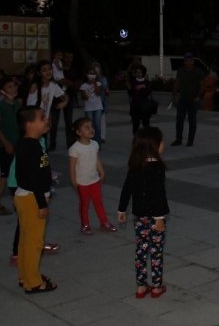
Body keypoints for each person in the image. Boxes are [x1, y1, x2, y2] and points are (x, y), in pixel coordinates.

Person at [118, 127, 170, 299]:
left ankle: (141, 286)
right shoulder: (157, 168)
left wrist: (121, 209)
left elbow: (127, 188)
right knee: (156, 252)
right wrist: (160, 218)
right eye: (161, 141)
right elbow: (158, 194)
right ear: (154, 146)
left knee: (141, 250)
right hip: (155, 218)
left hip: (139, 217)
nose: (164, 144)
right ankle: (156, 287)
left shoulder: (135, 166)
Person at [13, 106, 57, 293]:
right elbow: (33, 179)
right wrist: (42, 203)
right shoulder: (31, 147)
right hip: (32, 199)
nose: (46, 120)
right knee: (34, 243)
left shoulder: (28, 143)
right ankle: (33, 282)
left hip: (26, 196)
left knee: (26, 240)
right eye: (42, 118)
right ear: (29, 124)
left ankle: (26, 276)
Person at [68, 117, 116, 234]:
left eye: (92, 127)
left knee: (98, 202)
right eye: (87, 127)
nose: (91, 129)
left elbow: (97, 159)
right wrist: (74, 180)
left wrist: (102, 171)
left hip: (94, 180)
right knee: (84, 204)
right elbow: (72, 166)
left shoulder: (94, 144)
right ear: (79, 132)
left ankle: (104, 222)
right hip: (82, 182)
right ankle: (85, 224)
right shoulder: (75, 149)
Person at [0, 75, 21, 216]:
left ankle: (18, 202)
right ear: (2, 91)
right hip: (4, 145)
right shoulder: (0, 107)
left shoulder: (19, 105)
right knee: (5, 174)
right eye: (9, 86)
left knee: (16, 173)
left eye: (14, 86)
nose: (13, 89)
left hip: (17, 143)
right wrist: (6, 143)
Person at [26, 60, 68, 151]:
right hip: (34, 122)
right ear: (39, 73)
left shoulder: (53, 85)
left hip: (43, 123)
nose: (48, 72)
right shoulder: (35, 86)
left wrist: (64, 102)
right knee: (35, 147)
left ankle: (44, 164)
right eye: (44, 70)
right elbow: (29, 108)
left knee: (43, 147)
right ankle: (38, 164)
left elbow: (64, 96)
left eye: (50, 69)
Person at [171, 52, 205, 147]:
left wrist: (198, 96)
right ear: (184, 62)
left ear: (193, 61)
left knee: (192, 120)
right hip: (182, 98)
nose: (188, 62)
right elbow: (177, 82)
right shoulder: (181, 70)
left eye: (190, 60)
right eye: (186, 60)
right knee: (179, 120)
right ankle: (178, 139)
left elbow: (203, 84)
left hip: (193, 99)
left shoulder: (198, 71)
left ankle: (190, 140)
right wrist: (174, 95)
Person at [79, 67, 104, 143]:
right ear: (87, 75)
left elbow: (98, 93)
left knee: (97, 125)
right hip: (88, 108)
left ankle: (98, 143)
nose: (92, 75)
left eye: (94, 74)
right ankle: (91, 142)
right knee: (90, 125)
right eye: (90, 73)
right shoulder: (83, 85)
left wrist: (94, 83)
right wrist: (85, 95)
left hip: (98, 107)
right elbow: (84, 98)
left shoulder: (99, 83)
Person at [128, 64, 153, 135]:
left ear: (143, 73)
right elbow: (131, 92)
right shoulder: (133, 82)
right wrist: (138, 88)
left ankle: (147, 141)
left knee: (146, 124)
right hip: (135, 106)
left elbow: (148, 92)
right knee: (135, 125)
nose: (138, 74)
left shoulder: (147, 82)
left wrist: (142, 87)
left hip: (145, 106)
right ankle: (136, 141)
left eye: (140, 72)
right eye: (137, 72)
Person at [91, 62, 110, 143]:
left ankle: (102, 137)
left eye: (97, 69)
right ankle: (93, 135)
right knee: (93, 120)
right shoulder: (90, 79)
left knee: (102, 120)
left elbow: (106, 88)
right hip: (92, 103)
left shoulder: (103, 79)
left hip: (101, 102)